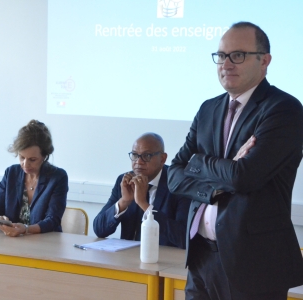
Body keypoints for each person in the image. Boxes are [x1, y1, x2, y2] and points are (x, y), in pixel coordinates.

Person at [167, 21, 303, 299]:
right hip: (201, 256)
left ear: (264, 61)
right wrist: (217, 185)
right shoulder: (208, 109)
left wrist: (200, 162)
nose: (226, 64)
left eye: (237, 55)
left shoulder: (284, 109)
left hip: (253, 263)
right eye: (221, 55)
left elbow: (245, 176)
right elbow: (173, 176)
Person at [94, 133, 191, 249]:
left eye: (147, 155)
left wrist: (144, 205)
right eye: (135, 155)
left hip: (166, 260)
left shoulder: (179, 183)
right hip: (128, 258)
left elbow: (183, 237)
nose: (138, 162)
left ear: (162, 159)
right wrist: (123, 201)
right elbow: (99, 230)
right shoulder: (124, 180)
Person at [0, 120, 68, 237]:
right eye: (21, 157)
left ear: (44, 156)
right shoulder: (11, 173)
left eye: (32, 159)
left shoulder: (57, 177)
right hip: (11, 242)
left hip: (45, 243)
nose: (25, 164)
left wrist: (26, 229)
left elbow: (52, 220)